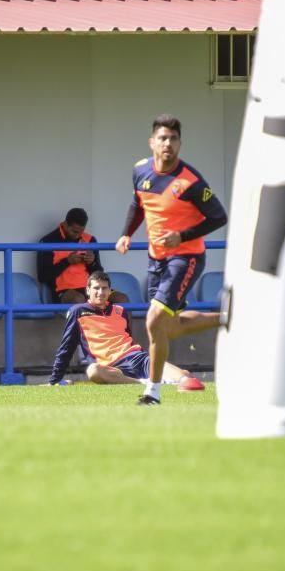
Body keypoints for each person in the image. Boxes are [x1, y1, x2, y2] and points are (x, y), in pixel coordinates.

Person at [115, 115, 228, 405]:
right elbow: (137, 204)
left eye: (173, 139)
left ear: (179, 143)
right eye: (163, 138)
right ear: (152, 142)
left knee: (153, 320)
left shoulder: (189, 180)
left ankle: (152, 392)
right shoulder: (140, 170)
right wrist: (126, 234)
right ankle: (229, 317)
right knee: (169, 326)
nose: (168, 144)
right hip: (156, 260)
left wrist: (183, 235)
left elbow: (219, 217)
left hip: (186, 257)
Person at [47, 271, 204, 390]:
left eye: (104, 289)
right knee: (93, 371)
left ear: (110, 291)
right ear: (87, 290)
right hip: (110, 367)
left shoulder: (119, 310)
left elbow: (128, 338)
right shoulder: (78, 311)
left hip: (137, 358)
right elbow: (66, 348)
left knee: (186, 379)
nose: (100, 293)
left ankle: (161, 378)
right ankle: (143, 383)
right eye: (96, 288)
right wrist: (55, 380)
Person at [37, 208, 127, 304]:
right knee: (78, 299)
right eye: (75, 232)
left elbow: (99, 274)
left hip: (91, 288)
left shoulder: (90, 240)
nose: (78, 236)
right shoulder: (48, 241)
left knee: (121, 299)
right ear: (65, 224)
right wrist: (67, 262)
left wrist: (92, 263)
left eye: (81, 232)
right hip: (64, 291)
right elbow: (43, 277)